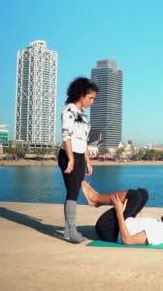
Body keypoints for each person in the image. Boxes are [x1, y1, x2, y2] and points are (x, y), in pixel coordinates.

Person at [81, 181, 163, 245]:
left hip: (109, 229)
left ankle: (94, 198)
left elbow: (127, 240)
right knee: (143, 194)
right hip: (121, 224)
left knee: (135, 196)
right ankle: (97, 201)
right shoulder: (162, 227)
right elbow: (138, 225)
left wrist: (120, 213)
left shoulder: (161, 234)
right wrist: (136, 210)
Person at [58, 77, 98, 243]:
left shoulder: (83, 116)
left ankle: (68, 231)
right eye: (90, 98)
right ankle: (72, 232)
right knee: (73, 193)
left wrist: (87, 161)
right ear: (81, 95)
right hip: (69, 155)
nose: (92, 102)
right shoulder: (69, 111)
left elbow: (85, 141)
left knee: (72, 192)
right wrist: (71, 159)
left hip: (80, 156)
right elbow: (66, 136)